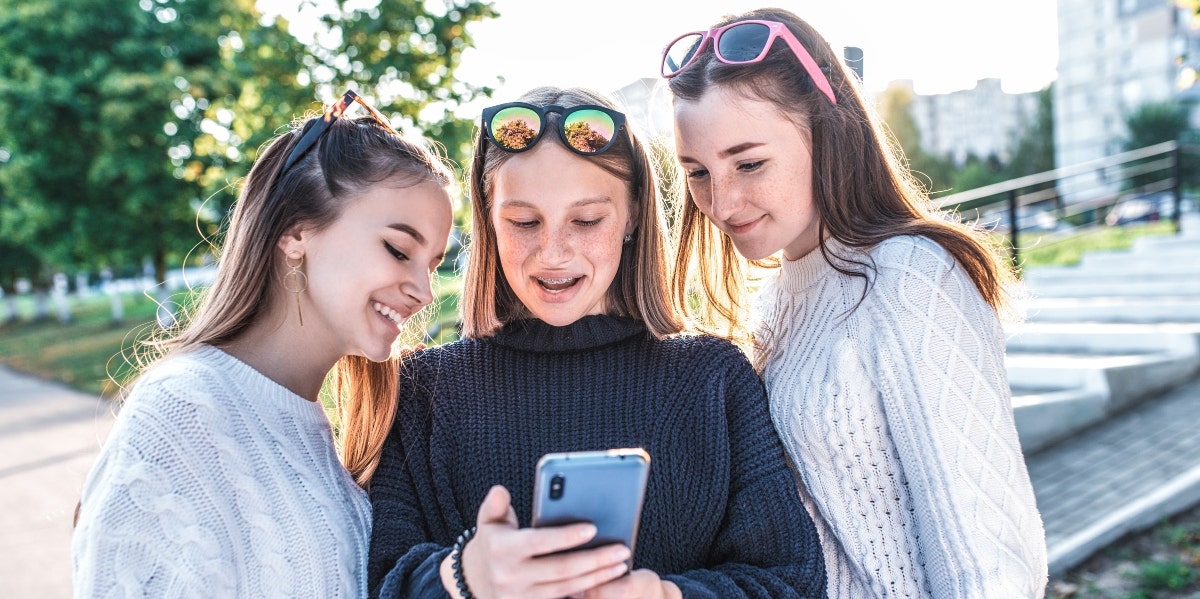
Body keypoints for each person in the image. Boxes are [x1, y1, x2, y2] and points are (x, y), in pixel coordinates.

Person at [358, 86, 826, 599]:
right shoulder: (424, 391)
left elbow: (791, 582)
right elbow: (380, 581)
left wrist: (668, 597)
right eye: (524, 222)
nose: (553, 252)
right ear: (489, 220)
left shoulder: (713, 378)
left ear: (631, 217)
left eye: (586, 221)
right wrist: (462, 574)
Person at [661, 8, 1048, 597]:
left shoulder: (908, 276)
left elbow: (986, 562)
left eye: (749, 163)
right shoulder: (773, 301)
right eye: (697, 172)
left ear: (827, 128)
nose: (722, 200)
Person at [71, 90, 456, 597]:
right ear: (296, 233)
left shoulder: (323, 434)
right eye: (398, 249)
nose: (424, 292)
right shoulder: (183, 410)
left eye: (432, 265)